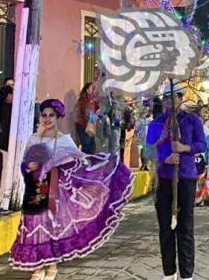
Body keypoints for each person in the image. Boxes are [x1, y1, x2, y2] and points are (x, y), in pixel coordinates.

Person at [9, 99, 132, 279]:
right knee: (34, 225)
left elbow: (81, 159)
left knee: (50, 225)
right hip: (34, 189)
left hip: (54, 189)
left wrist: (101, 163)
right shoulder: (33, 139)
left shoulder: (64, 140)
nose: (47, 119)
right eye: (44, 115)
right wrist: (30, 167)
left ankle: (51, 265)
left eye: (51, 115)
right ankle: (37, 268)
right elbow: (24, 165)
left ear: (58, 118)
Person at [146, 93, 205, 280]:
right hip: (164, 179)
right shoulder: (157, 123)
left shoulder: (192, 120)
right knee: (165, 228)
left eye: (174, 97)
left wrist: (185, 148)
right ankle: (169, 272)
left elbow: (202, 144)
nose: (170, 101)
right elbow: (148, 149)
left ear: (181, 98)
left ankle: (187, 274)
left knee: (185, 227)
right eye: (167, 98)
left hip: (186, 177)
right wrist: (165, 159)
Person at [75, 83, 99, 154]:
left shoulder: (93, 100)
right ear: (87, 89)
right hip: (82, 125)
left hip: (90, 125)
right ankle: (85, 162)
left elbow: (95, 111)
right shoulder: (83, 99)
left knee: (91, 146)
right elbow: (85, 112)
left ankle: (90, 162)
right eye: (92, 88)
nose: (93, 90)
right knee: (86, 145)